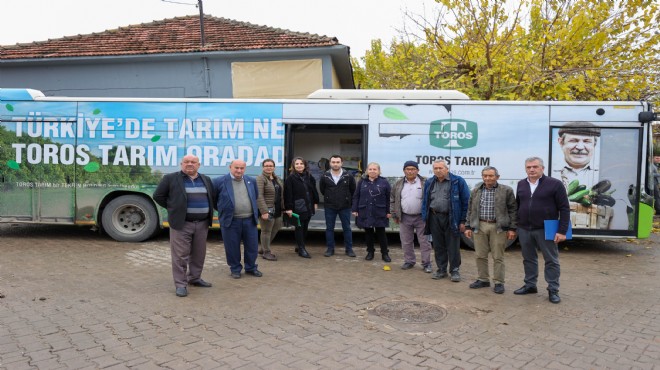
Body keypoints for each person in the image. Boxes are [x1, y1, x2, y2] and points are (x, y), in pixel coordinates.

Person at [153, 154, 215, 298]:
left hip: (202, 224)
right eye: (186, 162)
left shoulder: (206, 179)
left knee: (199, 254)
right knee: (180, 256)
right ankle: (181, 284)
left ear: (198, 165)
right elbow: (158, 196)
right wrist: (174, 208)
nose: (190, 164)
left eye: (193, 162)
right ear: (181, 164)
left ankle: (194, 278)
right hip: (181, 224)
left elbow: (211, 197)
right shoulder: (171, 178)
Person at [552, 121, 629, 229]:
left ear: (594, 144)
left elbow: (620, 207)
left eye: (587, 141)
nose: (579, 147)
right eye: (573, 140)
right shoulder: (546, 172)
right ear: (561, 142)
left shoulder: (607, 173)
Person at [515, 157, 570, 304]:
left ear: (542, 168)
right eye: (528, 167)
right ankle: (530, 285)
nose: (531, 170)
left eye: (535, 167)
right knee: (528, 258)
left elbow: (564, 208)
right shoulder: (521, 184)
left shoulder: (555, 184)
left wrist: (562, 230)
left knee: (551, 260)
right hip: (525, 228)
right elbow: (518, 205)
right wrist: (517, 225)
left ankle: (553, 290)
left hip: (547, 228)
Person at [464, 166, 517, 294]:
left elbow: (513, 210)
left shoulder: (506, 190)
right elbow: (470, 209)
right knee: (480, 255)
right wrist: (467, 226)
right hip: (480, 226)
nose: (488, 178)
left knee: (498, 256)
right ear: (482, 177)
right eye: (485, 176)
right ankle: (483, 279)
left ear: (497, 177)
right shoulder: (476, 190)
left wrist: (512, 228)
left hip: (498, 227)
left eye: (491, 176)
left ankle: (499, 282)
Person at [213, 159, 263, 279]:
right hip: (231, 221)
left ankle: (251, 267)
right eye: (236, 167)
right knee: (232, 247)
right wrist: (225, 210)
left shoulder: (251, 181)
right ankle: (235, 269)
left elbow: (255, 197)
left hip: (249, 220)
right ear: (230, 167)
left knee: (252, 246)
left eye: (242, 168)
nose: (239, 170)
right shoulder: (218, 181)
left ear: (244, 169)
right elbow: (215, 200)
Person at [421, 159, 469, 282]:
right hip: (434, 217)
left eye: (440, 168)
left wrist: (463, 221)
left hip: (452, 218)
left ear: (447, 169)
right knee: (438, 245)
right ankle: (441, 269)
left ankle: (454, 270)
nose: (438, 170)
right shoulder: (430, 182)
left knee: (453, 245)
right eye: (435, 168)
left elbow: (466, 202)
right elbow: (425, 201)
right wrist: (425, 216)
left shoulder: (458, 181)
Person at [390, 160, 433, 273]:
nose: (410, 171)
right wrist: (394, 214)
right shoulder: (398, 183)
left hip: (422, 217)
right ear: (404, 170)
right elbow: (393, 199)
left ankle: (426, 263)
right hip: (404, 217)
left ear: (417, 170)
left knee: (424, 242)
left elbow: (431, 198)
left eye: (413, 169)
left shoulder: (425, 182)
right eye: (408, 169)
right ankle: (409, 261)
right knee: (406, 241)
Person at [352, 162, 392, 262]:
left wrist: (389, 211)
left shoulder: (384, 182)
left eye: (375, 169)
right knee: (368, 234)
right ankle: (370, 252)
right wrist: (355, 209)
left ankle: (385, 253)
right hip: (365, 211)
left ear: (379, 171)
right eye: (370, 169)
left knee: (381, 234)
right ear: (367, 171)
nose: (372, 171)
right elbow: (356, 196)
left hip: (379, 211)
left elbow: (389, 198)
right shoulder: (362, 181)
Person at [319, 155, 357, 257]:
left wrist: (348, 201)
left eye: (337, 162)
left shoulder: (348, 176)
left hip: (345, 206)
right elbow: (322, 190)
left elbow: (353, 190)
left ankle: (349, 249)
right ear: (330, 163)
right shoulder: (325, 176)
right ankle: (330, 249)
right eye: (333, 162)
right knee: (329, 228)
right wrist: (329, 198)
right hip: (330, 206)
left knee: (347, 228)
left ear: (342, 163)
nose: (335, 164)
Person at [284, 157, 319, 258]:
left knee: (305, 227)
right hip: (298, 207)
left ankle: (299, 245)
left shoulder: (309, 176)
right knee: (299, 227)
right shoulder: (290, 178)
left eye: (301, 164)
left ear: (305, 165)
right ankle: (302, 249)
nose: (299, 165)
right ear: (293, 166)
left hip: (308, 206)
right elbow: (288, 194)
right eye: (297, 164)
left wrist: (315, 202)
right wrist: (289, 208)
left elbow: (314, 191)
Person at [256, 159, 284, 261]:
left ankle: (263, 248)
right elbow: (259, 196)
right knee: (266, 231)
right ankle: (266, 252)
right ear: (263, 167)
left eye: (271, 165)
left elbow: (281, 194)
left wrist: (283, 207)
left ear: (274, 167)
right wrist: (264, 211)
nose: (269, 167)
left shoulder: (277, 179)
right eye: (266, 165)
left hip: (277, 209)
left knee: (276, 228)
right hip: (267, 209)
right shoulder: (260, 179)